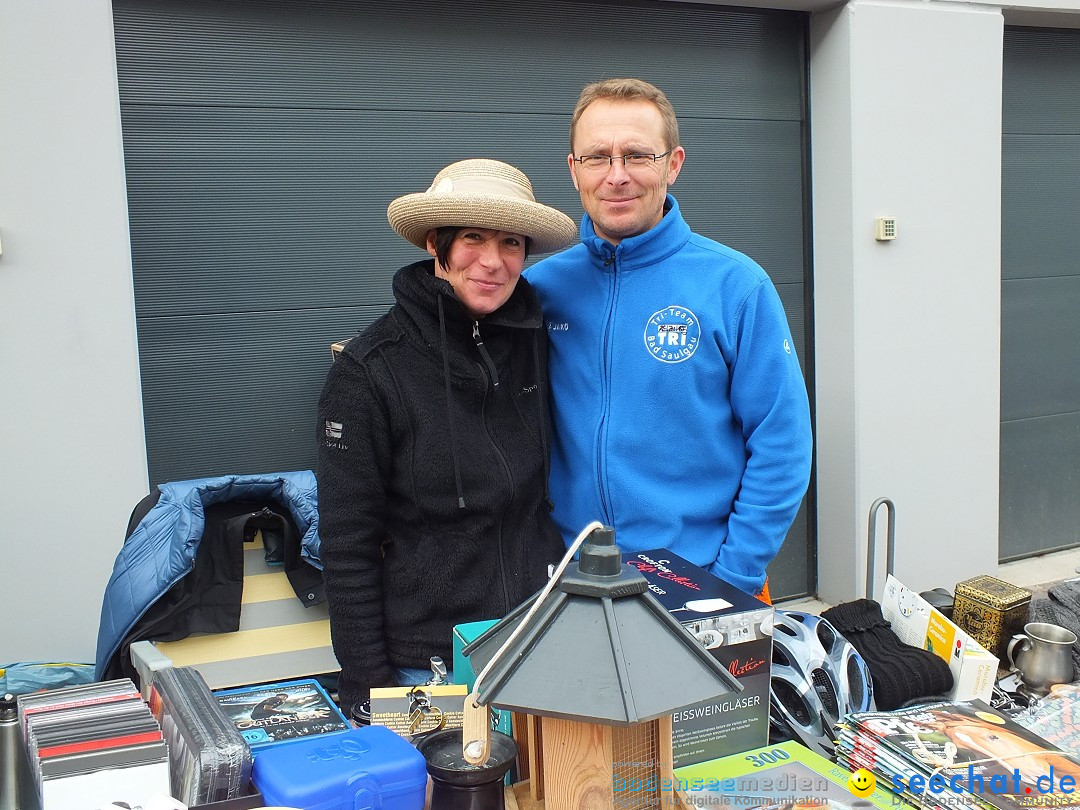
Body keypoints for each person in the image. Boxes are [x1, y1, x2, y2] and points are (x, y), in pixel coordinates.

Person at [525, 78, 813, 601]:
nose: (617, 175)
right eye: (597, 157)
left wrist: (731, 580)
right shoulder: (542, 291)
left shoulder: (736, 286)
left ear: (673, 164)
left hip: (702, 576)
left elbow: (782, 444)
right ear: (573, 169)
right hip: (569, 582)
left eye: (637, 155)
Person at [316, 159, 577, 714]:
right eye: (473, 239)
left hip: (537, 638)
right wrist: (371, 690)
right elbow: (347, 545)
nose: (492, 261)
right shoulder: (370, 371)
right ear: (436, 244)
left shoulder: (535, 342)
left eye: (510, 242)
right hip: (427, 664)